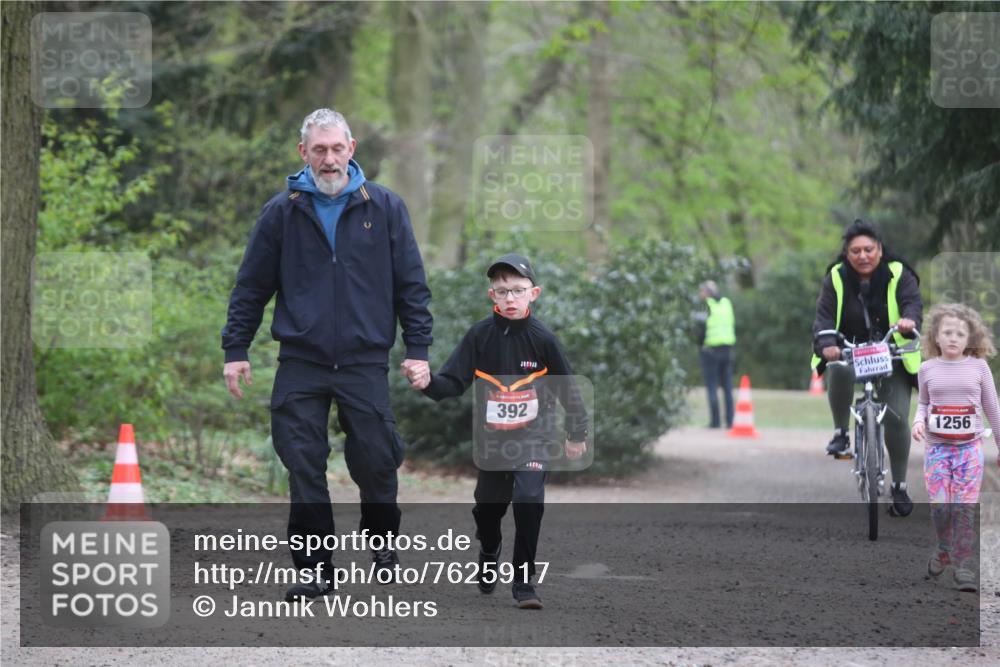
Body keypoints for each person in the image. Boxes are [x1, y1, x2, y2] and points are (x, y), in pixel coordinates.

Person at [221, 109, 432, 601]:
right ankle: (315, 568)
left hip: (364, 362)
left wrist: (417, 348)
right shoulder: (282, 211)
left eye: (337, 148)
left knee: (377, 462)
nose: (329, 158)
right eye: (320, 149)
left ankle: (382, 547)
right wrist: (236, 348)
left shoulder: (385, 207)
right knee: (303, 464)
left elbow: (412, 286)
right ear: (304, 153)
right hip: (302, 361)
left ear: (352, 148)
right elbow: (251, 287)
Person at [408, 253, 589, 609]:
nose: (510, 299)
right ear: (492, 295)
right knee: (487, 511)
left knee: (528, 501)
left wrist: (576, 433)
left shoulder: (543, 340)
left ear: (533, 294)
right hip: (492, 442)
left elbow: (568, 388)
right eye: (502, 291)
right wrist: (427, 381)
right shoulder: (479, 336)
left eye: (518, 291)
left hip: (534, 439)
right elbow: (453, 382)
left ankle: (523, 583)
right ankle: (489, 548)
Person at [811, 220, 922, 516]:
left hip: (891, 351)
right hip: (850, 348)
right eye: (855, 251)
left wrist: (910, 321)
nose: (863, 256)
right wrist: (827, 344)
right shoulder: (835, 277)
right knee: (838, 368)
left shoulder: (899, 272)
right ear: (847, 254)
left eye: (868, 250)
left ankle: (898, 486)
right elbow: (823, 316)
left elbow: (912, 304)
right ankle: (840, 433)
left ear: (880, 250)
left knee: (897, 418)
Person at [911, 303, 999, 592]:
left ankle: (962, 566)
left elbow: (992, 409)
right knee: (940, 507)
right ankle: (943, 547)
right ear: (935, 336)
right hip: (937, 450)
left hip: (969, 450)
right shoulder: (926, 369)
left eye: (960, 333)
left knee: (963, 509)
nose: (953, 337)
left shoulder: (979, 368)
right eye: (946, 332)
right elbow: (924, 403)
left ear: (970, 338)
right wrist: (918, 421)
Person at [695, 281, 736, 428]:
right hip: (727, 349)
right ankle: (730, 422)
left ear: (707, 293)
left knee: (712, 386)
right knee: (727, 387)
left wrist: (699, 345)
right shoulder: (726, 303)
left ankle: (715, 422)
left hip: (710, 350)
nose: (700, 295)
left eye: (702, 291)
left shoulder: (706, 305)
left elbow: (700, 330)